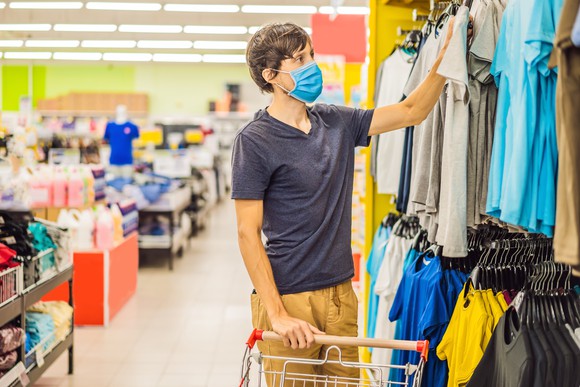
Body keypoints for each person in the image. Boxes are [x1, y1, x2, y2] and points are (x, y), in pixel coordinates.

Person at [232, 20, 462, 385]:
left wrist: (447, 57)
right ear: (271, 75)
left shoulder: (335, 121)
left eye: (312, 55)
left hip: (341, 294)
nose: (312, 65)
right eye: (300, 59)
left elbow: (411, 111)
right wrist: (276, 314)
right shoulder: (254, 141)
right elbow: (247, 233)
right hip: (288, 297)